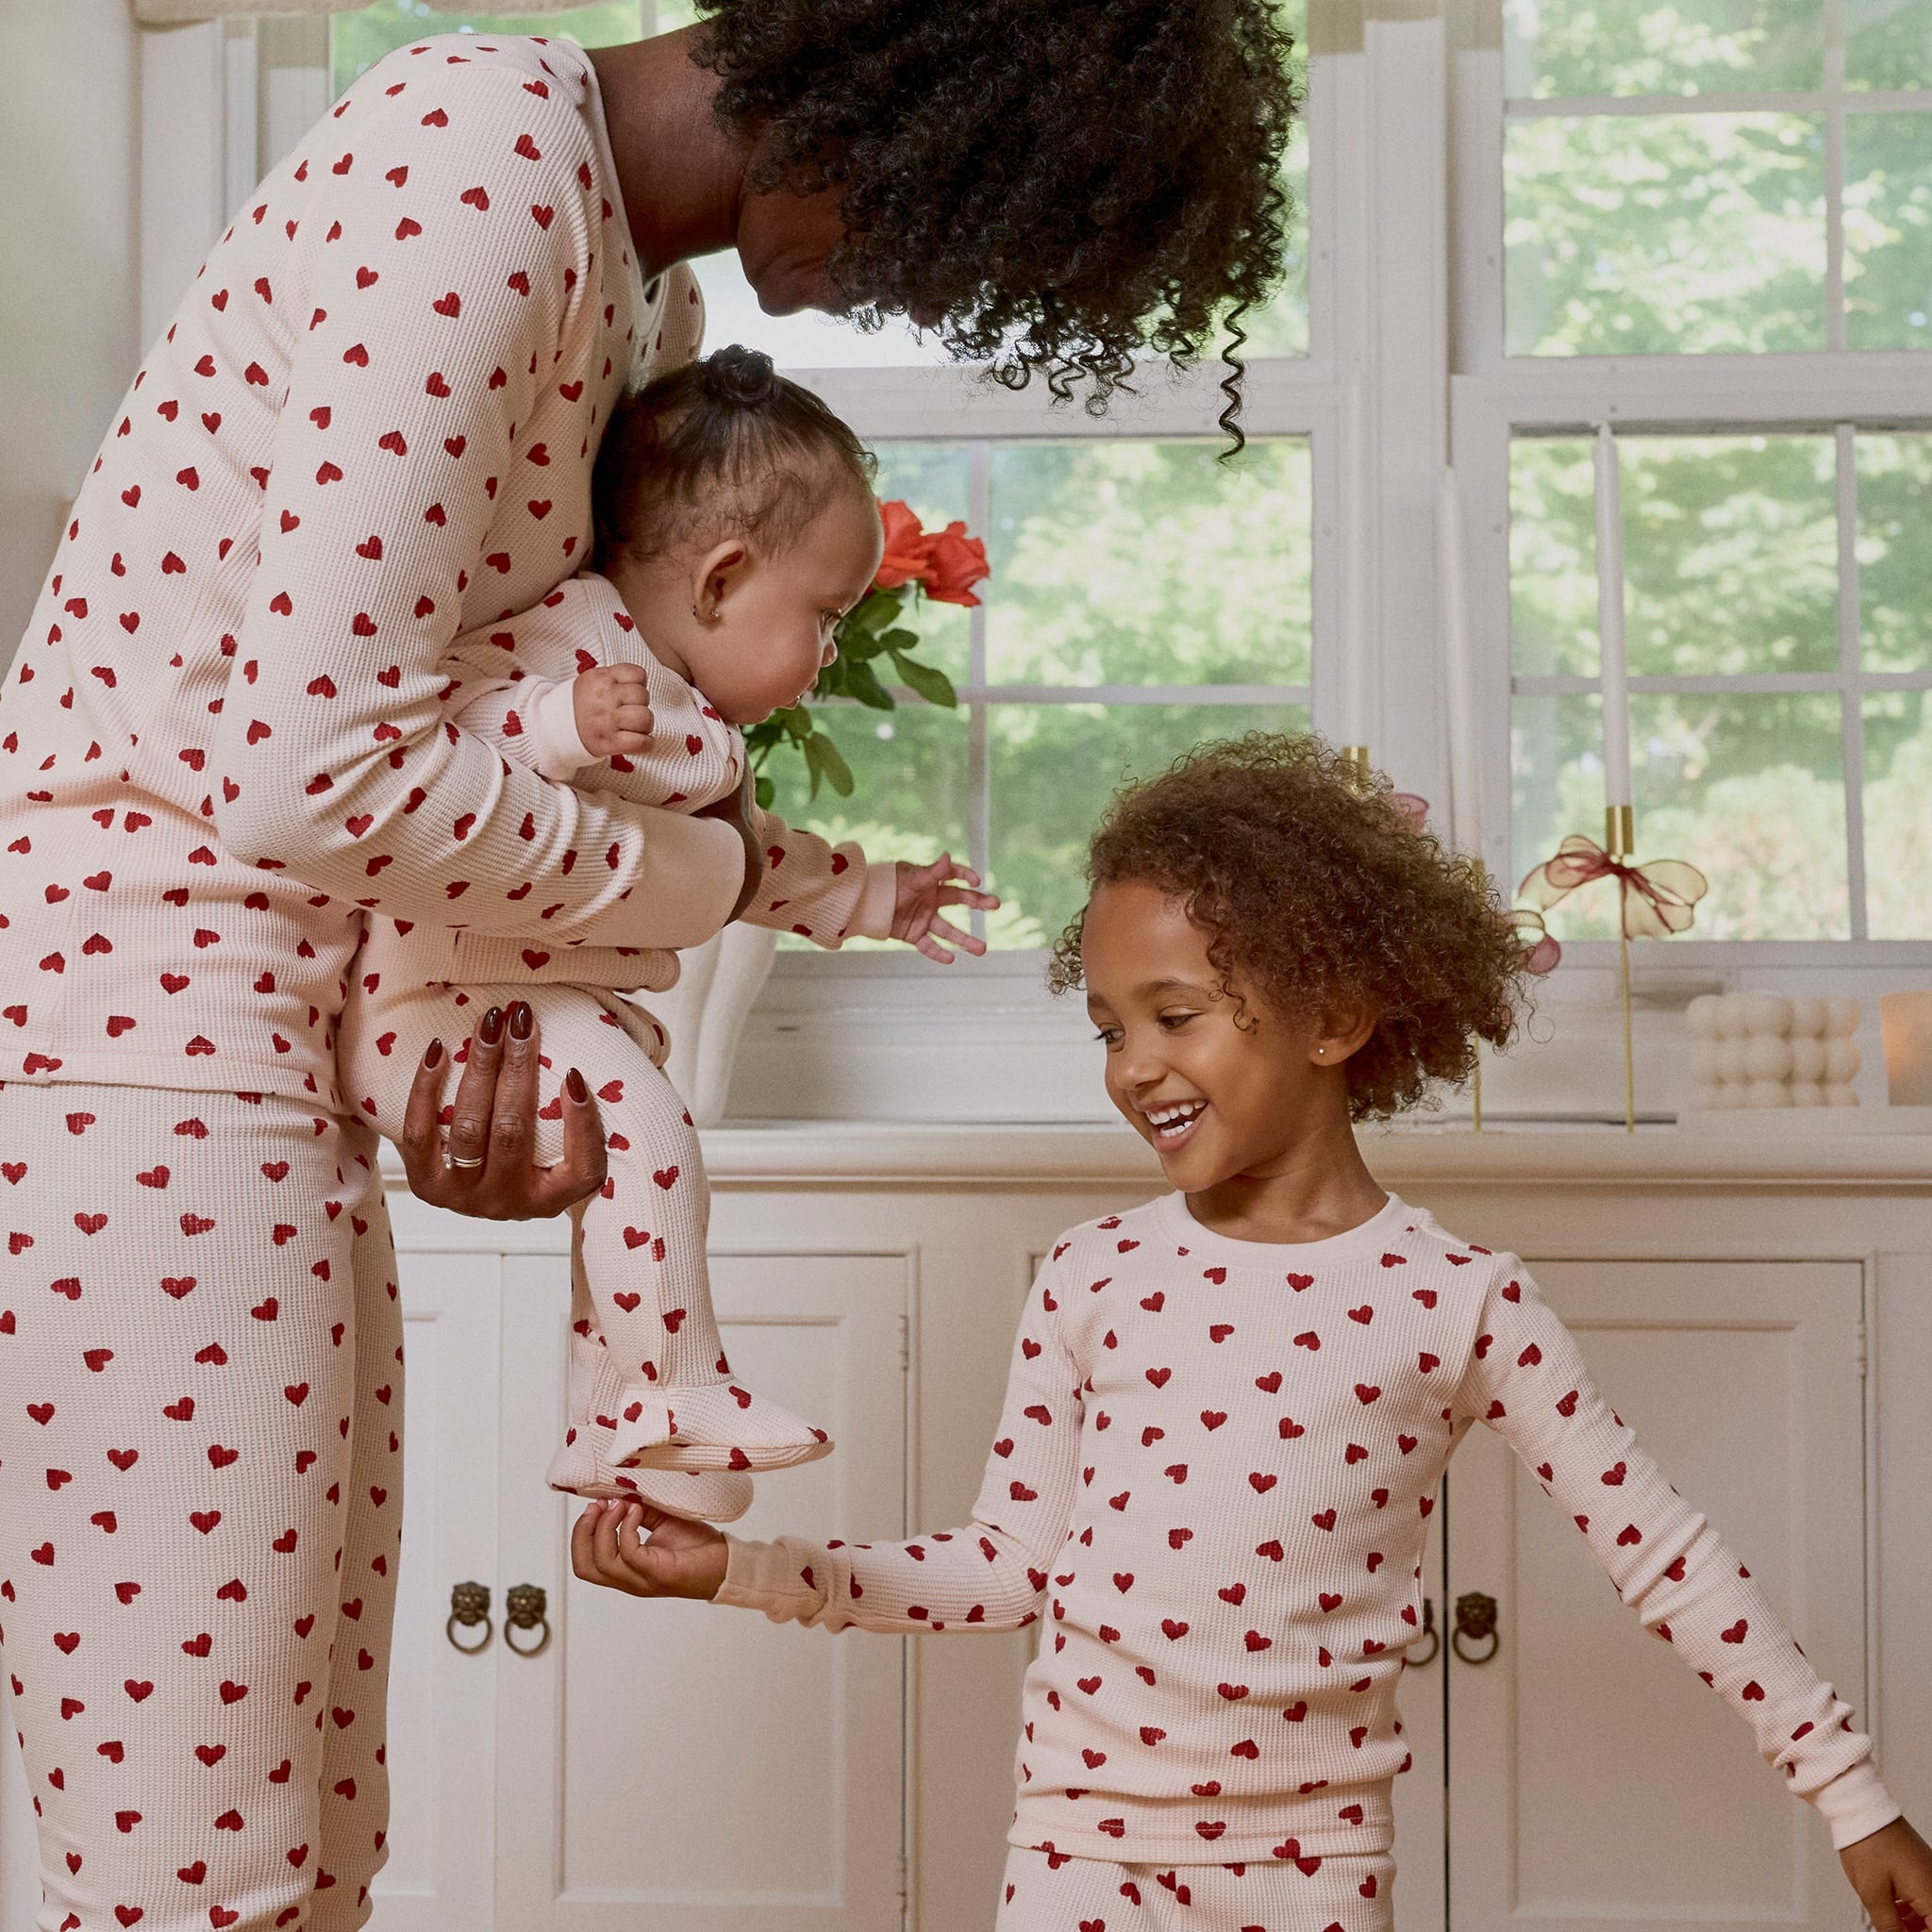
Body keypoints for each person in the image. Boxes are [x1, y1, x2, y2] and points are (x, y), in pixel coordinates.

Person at [0, 4, 1299, 1924]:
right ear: (884, 103)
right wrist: (699, 878)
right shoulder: (478, 170)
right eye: (939, 236)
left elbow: (459, 738)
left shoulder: (632, 301)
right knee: (205, 1848)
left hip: (266, 1060)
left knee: (300, 1815)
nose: (912, 289)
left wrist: (448, 1086)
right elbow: (302, 770)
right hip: (128, 1052)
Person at [572, 735, 1932, 1932]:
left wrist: (1856, 1802)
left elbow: (1670, 1562)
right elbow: (997, 1568)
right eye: (1109, 1028)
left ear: (1338, 1017)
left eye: (1176, 1015)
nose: (1133, 1065)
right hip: (1076, 1862)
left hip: (1314, 1875)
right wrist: (737, 1570)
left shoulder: (1457, 1299)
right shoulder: (1091, 1278)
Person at [339, 345, 993, 1521]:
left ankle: (612, 1424)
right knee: (648, 1134)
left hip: (537, 1008)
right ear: (722, 577)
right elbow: (436, 725)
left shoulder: (689, 716)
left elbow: (747, 861)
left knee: (625, 1185)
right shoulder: (576, 638)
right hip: (444, 1013)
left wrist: (871, 894)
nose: (832, 650)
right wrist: (555, 726)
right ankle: (673, 1386)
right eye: (826, 617)